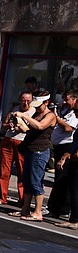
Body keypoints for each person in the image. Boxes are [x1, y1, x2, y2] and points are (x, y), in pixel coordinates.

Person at [12, 90, 56, 221]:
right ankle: (25, 209)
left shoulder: (50, 115)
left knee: (36, 181)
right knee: (27, 181)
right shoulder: (37, 114)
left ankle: (37, 212)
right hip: (30, 149)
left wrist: (25, 116)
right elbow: (29, 129)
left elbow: (40, 126)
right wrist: (19, 123)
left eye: (38, 105)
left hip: (40, 151)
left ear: (46, 102)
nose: (36, 108)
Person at [0, 91, 33, 205]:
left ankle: (22, 199)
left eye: (28, 101)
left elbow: (33, 129)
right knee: (4, 170)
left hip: (21, 142)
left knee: (22, 171)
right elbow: (3, 125)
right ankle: (2, 197)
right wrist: (9, 125)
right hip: (8, 140)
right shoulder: (14, 109)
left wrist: (22, 128)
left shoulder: (33, 112)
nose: (25, 103)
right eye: (23, 100)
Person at [49, 90, 78, 218]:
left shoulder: (74, 114)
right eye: (64, 99)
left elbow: (68, 128)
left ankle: (62, 209)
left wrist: (56, 118)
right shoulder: (63, 110)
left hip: (68, 147)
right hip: (58, 147)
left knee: (63, 178)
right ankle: (57, 207)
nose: (64, 102)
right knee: (59, 177)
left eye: (67, 100)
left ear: (74, 99)